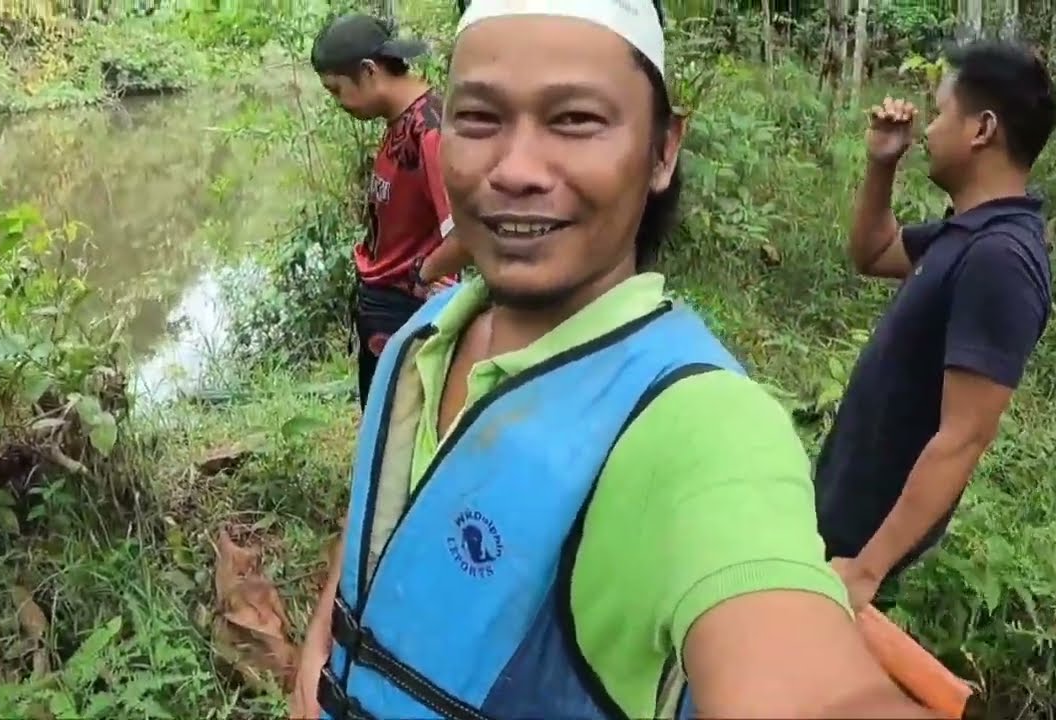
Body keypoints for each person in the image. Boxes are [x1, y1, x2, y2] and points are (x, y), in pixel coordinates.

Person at [289, 1, 939, 718]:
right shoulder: (426, 336)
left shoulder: (700, 425)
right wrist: (311, 671)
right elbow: (369, 547)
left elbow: (813, 688)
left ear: (663, 151)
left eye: (575, 120)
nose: (516, 169)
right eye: (478, 118)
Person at [818, 42, 1054, 612]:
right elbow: (873, 253)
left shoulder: (1001, 258)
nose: (927, 129)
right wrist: (882, 163)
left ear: (982, 129)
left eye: (941, 111)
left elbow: (964, 436)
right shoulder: (968, 233)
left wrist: (867, 569)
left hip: (859, 554)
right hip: (839, 523)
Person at [310, 13, 472, 410]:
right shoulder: (402, 121)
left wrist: (421, 274)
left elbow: (466, 234)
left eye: (337, 90)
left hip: (405, 307)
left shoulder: (430, 132)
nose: (338, 103)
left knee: (397, 424)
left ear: (369, 71)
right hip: (384, 303)